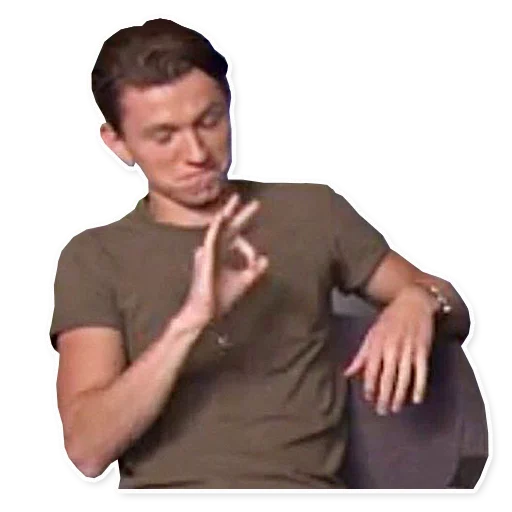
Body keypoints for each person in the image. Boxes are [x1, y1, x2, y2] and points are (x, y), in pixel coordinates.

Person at [49, 17, 471, 489]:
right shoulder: (96, 257)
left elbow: (457, 310)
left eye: (210, 120)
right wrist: (191, 320)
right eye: (164, 136)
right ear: (117, 143)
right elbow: (87, 451)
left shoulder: (310, 211)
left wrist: (418, 301)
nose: (197, 153)